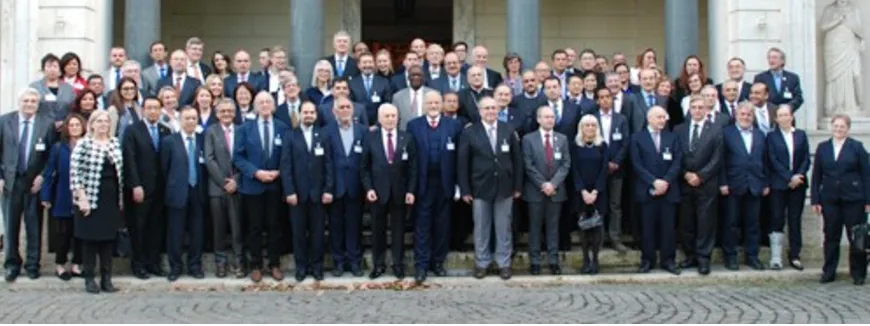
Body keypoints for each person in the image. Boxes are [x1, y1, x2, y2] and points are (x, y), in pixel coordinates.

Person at [458, 97, 522, 280]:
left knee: (504, 227)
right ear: (479, 111)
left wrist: (517, 185)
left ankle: (504, 263)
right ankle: (482, 263)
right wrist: (465, 189)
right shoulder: (470, 132)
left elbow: (517, 160)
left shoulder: (508, 130)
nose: (490, 111)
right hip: (479, 186)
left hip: (505, 186)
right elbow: (463, 163)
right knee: (481, 227)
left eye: (493, 108)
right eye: (486, 108)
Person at [233, 91, 289, 282]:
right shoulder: (245, 129)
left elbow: (288, 155)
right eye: (261, 102)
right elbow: (238, 157)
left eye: (268, 102)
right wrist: (256, 173)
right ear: (255, 107)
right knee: (254, 227)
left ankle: (274, 264)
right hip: (253, 186)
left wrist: (279, 172)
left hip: (275, 186)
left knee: (275, 226)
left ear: (273, 106)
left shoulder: (283, 127)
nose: (265, 105)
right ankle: (256, 265)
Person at [407, 92, 462, 283]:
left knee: (442, 225)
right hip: (422, 184)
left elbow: (459, 158)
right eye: (429, 102)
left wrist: (458, 184)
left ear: (442, 105)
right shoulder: (413, 125)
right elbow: (411, 158)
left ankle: (438, 262)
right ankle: (421, 265)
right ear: (424, 105)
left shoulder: (454, 125)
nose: (433, 105)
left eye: (436, 102)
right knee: (422, 226)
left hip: (445, 183)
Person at [1, 88, 55, 282]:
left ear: (38, 104)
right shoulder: (4, 121)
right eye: (26, 101)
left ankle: (33, 264)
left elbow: (51, 155)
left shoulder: (46, 124)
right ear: (19, 102)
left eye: (33, 101)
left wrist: (42, 176)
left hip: (33, 183)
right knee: (11, 225)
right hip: (11, 182)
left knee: (34, 225)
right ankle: (12, 264)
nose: (30, 104)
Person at [361, 104, 418, 280]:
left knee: (398, 231)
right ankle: (378, 265)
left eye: (393, 116)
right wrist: (369, 188)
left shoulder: (407, 138)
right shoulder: (370, 138)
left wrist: (411, 190)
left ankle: (398, 264)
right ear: (379, 119)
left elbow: (413, 168)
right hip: (377, 192)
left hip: (400, 193)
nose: (390, 119)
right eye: (387, 116)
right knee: (377, 231)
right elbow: (364, 167)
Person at [811, 114, 869, 286]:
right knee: (830, 237)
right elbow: (816, 176)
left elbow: (866, 175)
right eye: (836, 126)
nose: (838, 129)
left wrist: (868, 200)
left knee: (857, 238)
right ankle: (828, 271)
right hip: (830, 200)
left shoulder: (857, 148)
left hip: (854, 199)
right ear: (831, 127)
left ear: (848, 129)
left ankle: (858, 273)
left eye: (842, 126)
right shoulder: (823, 147)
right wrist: (815, 200)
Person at [69, 110, 123, 293]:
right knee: (90, 240)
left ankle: (107, 279)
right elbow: (75, 173)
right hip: (90, 197)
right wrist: (81, 198)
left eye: (106, 121)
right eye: (99, 121)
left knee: (108, 240)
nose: (103, 124)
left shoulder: (115, 143)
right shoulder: (84, 144)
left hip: (110, 198)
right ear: (91, 124)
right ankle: (90, 278)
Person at [280, 102, 333, 282]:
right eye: (306, 112)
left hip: (318, 194)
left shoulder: (324, 135)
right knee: (298, 233)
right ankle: (301, 267)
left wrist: (328, 189)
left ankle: (317, 267)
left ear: (316, 115)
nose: (309, 115)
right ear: (300, 114)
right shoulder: (290, 136)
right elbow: (285, 166)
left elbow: (329, 165)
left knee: (318, 233)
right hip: (297, 194)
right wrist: (289, 191)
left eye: (312, 112)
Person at [122, 97, 172, 279]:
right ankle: (138, 264)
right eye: (149, 108)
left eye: (156, 108)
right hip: (140, 188)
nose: (153, 111)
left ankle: (154, 263)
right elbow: (130, 160)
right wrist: (135, 184)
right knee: (139, 227)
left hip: (160, 188)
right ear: (143, 110)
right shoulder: (132, 131)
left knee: (156, 227)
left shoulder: (165, 131)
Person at [674, 95, 723, 275]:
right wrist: (686, 174)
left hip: (706, 183)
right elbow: (675, 154)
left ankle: (704, 257)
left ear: (706, 110)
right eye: (694, 107)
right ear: (689, 110)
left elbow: (717, 158)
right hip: (684, 182)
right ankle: (690, 255)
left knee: (705, 222)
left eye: (701, 107)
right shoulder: (679, 129)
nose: (697, 110)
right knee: (686, 221)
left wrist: (701, 176)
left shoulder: (716, 130)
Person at [630, 106, 681, 275]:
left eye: (664, 117)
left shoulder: (672, 137)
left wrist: (665, 181)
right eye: (659, 117)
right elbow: (637, 164)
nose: (663, 120)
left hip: (668, 190)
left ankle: (668, 260)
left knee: (668, 228)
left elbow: (677, 162)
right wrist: (653, 182)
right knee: (647, 228)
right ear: (649, 118)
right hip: (647, 190)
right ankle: (647, 260)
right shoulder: (637, 138)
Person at [720, 102, 769, 271]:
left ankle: (752, 256)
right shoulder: (726, 134)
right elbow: (721, 160)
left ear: (753, 117)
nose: (745, 117)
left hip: (755, 184)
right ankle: (731, 256)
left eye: (749, 114)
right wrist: (723, 182)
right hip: (733, 184)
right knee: (731, 223)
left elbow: (765, 161)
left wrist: (765, 182)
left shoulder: (760, 135)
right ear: (736, 115)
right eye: (742, 114)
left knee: (753, 223)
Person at [523, 106, 570, 275]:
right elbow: (528, 165)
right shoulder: (528, 139)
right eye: (546, 117)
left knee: (553, 227)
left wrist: (553, 184)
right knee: (535, 227)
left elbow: (566, 164)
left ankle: (553, 260)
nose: (550, 120)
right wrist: (543, 184)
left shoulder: (562, 139)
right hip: (536, 191)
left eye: (552, 117)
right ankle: (534, 261)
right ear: (538, 119)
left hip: (556, 192)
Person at [160, 106, 206, 281]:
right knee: (175, 232)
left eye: (194, 118)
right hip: (177, 192)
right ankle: (175, 266)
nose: (191, 122)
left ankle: (195, 265)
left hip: (198, 192)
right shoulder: (169, 141)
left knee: (197, 231)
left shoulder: (202, 139)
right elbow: (164, 168)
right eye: (187, 118)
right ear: (180, 120)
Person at [325, 97, 367, 277]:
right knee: (336, 227)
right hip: (335, 187)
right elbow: (325, 162)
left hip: (356, 187)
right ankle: (339, 262)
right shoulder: (326, 132)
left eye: (347, 107)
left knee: (354, 225)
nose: (344, 110)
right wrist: (327, 188)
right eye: (341, 107)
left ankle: (355, 261)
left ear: (353, 110)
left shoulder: (363, 131)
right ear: (334, 111)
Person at [41, 114, 87, 280]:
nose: (74, 128)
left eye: (77, 125)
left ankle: (76, 265)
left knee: (80, 234)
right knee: (62, 235)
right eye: (71, 125)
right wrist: (45, 195)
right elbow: (49, 173)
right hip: (62, 195)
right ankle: (60, 265)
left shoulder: (88, 146)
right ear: (66, 128)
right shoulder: (58, 148)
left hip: (83, 196)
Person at [204, 99, 244, 278]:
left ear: (235, 113)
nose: (227, 114)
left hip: (238, 186)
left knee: (237, 226)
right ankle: (220, 261)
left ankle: (239, 260)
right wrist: (223, 182)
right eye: (223, 111)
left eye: (230, 111)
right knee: (218, 227)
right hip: (217, 187)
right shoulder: (211, 132)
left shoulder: (242, 130)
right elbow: (209, 158)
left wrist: (236, 180)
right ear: (217, 113)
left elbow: (246, 157)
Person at [766, 104, 809, 271]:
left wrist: (798, 176)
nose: (784, 118)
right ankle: (776, 256)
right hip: (778, 184)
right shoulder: (771, 137)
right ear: (776, 119)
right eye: (780, 115)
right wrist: (788, 177)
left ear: (792, 117)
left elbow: (806, 158)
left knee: (795, 220)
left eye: (786, 115)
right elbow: (772, 159)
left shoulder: (801, 135)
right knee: (777, 218)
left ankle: (795, 255)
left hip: (798, 185)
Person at [591, 87, 630, 253]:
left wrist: (616, 162)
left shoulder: (621, 119)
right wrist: (601, 163)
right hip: (597, 169)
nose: (605, 100)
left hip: (616, 169)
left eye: (608, 97)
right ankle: (597, 239)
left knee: (615, 205)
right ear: (597, 100)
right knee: (598, 204)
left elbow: (625, 143)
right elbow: (588, 140)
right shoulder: (591, 118)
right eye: (602, 97)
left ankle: (615, 238)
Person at [571, 114, 609, 275]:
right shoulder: (575, 146)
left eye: (593, 125)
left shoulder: (602, 145)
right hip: (581, 192)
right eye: (587, 125)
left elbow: (604, 169)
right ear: (581, 128)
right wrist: (583, 191)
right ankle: (585, 259)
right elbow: (574, 169)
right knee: (584, 227)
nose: (590, 128)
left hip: (598, 192)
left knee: (597, 227)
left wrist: (595, 191)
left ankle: (595, 260)